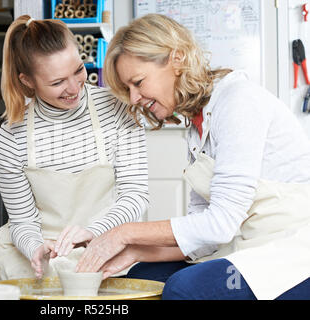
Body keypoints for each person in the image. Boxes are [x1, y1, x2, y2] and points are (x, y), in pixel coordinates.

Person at [75, 13, 310, 300]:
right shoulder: (197, 129)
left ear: (177, 60)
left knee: (183, 289)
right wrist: (135, 252)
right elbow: (202, 235)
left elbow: (220, 224)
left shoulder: (239, 103)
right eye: (128, 89)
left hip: (290, 249)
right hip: (245, 243)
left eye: (138, 82)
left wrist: (123, 234)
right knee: (141, 276)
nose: (134, 98)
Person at [0, 15, 149, 280]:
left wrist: (93, 231)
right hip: (41, 259)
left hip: (108, 247)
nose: (74, 88)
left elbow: (135, 196)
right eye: (57, 82)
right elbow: (23, 221)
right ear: (28, 81)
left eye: (78, 70)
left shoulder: (119, 110)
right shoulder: (10, 139)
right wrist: (35, 247)